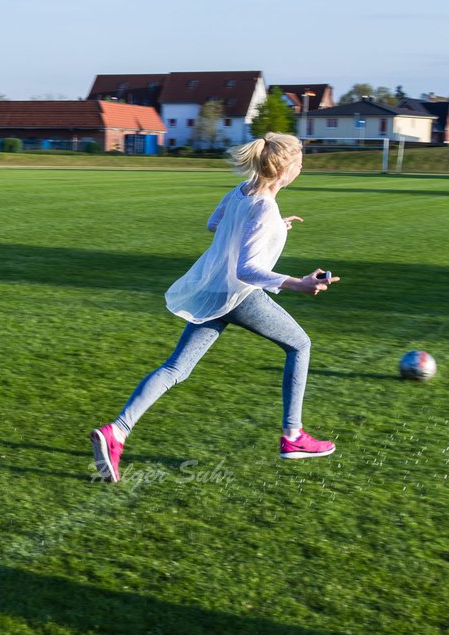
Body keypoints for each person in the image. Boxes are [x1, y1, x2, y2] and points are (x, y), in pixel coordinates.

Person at [90, 132, 340, 483]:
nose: (302, 167)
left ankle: (116, 432)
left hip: (214, 291)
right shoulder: (266, 208)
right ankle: (293, 437)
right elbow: (247, 270)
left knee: (177, 367)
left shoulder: (241, 193)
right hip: (240, 297)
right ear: (286, 168)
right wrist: (298, 283)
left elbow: (214, 224)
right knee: (300, 345)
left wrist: (270, 230)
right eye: (300, 162)